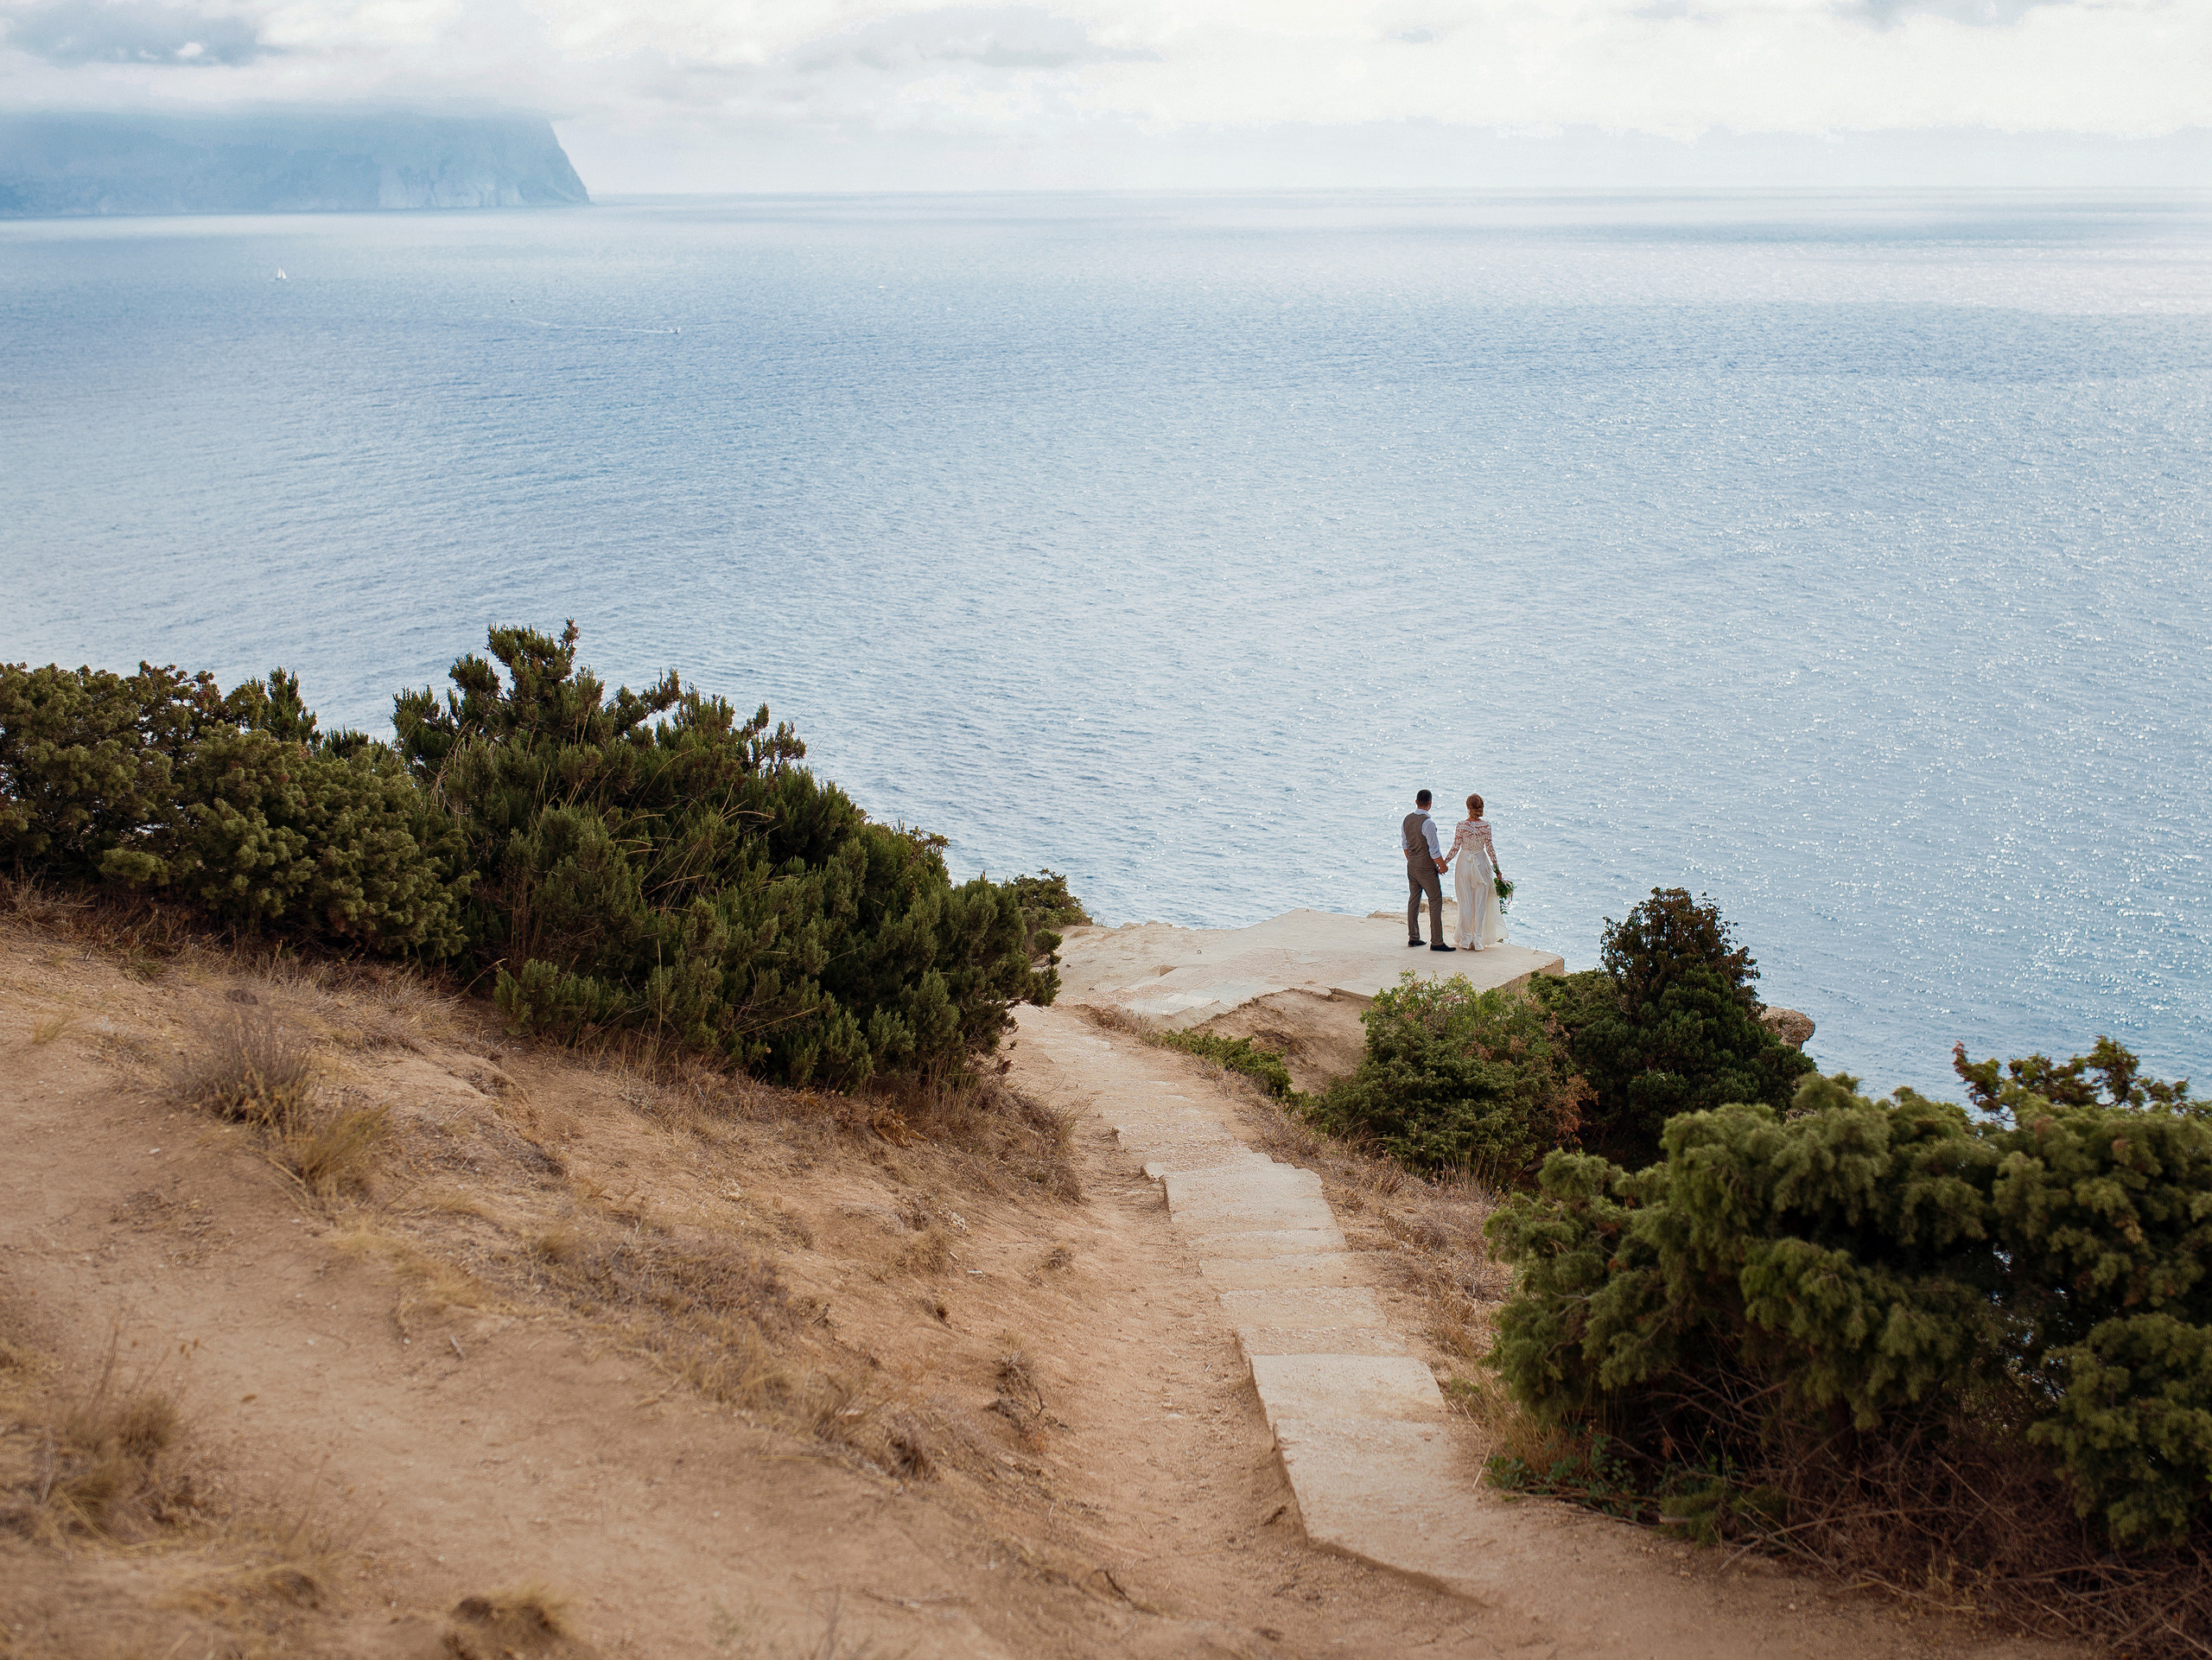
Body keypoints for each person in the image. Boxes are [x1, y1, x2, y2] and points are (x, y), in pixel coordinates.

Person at [1441, 792, 1508, 951]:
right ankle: (1477, 940)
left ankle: (1466, 939)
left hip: (1464, 864)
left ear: (1467, 807)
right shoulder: (1486, 826)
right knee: (1480, 903)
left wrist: (1443, 863)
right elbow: (1490, 849)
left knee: (1465, 902)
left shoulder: (1461, 825)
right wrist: (1497, 870)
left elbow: (1455, 848)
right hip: (1481, 864)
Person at [1402, 790, 1456, 951]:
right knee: (1435, 900)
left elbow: (1405, 845)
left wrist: (1412, 860)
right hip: (1426, 868)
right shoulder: (1428, 823)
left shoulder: (1407, 819)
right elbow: (1434, 851)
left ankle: (1413, 937)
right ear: (1430, 804)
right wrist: (1443, 866)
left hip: (1412, 866)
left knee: (1414, 900)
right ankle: (1437, 941)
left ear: (1416, 801)